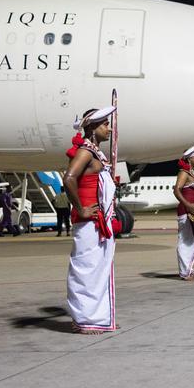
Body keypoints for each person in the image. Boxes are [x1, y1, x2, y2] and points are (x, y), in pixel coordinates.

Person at [63, 106, 119, 334]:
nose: (109, 128)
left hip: (99, 219)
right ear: (93, 128)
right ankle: (85, 318)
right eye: (105, 124)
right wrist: (82, 209)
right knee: (87, 268)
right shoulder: (86, 152)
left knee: (99, 269)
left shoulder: (96, 153)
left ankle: (99, 317)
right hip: (88, 220)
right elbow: (69, 179)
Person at [173, 144, 194, 281]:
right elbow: (177, 189)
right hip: (186, 212)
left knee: (193, 240)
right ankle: (185, 272)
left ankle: (188, 270)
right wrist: (188, 205)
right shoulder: (184, 173)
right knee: (185, 241)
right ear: (189, 159)